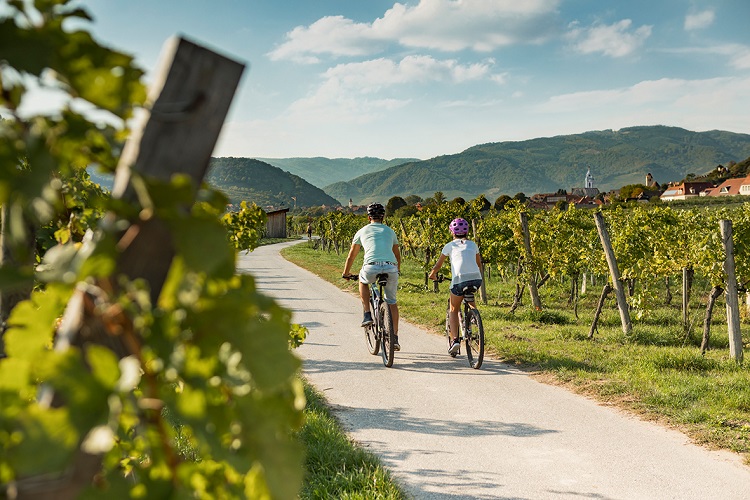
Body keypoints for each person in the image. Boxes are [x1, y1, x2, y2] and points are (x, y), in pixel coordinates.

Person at [342, 202, 402, 350]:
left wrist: (346, 273)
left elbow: (351, 256)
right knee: (392, 302)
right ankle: (394, 338)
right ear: (383, 217)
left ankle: (367, 314)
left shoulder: (361, 231)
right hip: (390, 267)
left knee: (363, 282)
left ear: (368, 217)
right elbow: (397, 255)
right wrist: (397, 270)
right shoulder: (390, 231)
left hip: (371, 267)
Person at [428, 218, 483, 355]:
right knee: (471, 301)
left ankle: (455, 340)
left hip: (459, 280)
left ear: (451, 232)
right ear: (467, 231)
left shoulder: (449, 246)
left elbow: (438, 265)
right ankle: (474, 321)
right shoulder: (473, 245)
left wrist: (432, 274)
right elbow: (479, 264)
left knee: (453, 309)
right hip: (476, 279)